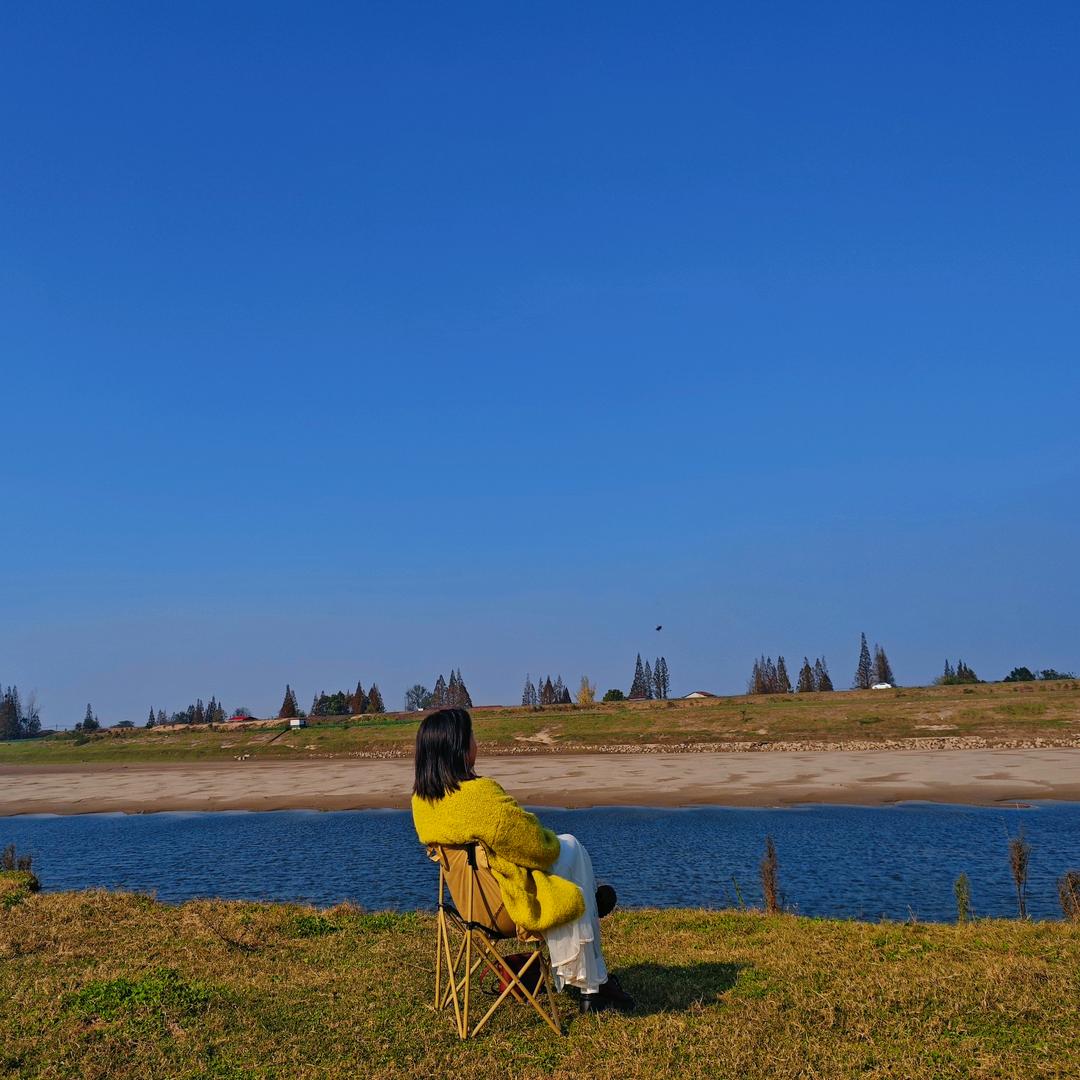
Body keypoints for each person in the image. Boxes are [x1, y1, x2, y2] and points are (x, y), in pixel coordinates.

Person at [411, 707, 635, 1013]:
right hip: (507, 909)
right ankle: (591, 983)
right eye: (472, 735)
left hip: (470, 908)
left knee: (568, 863)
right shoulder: (480, 796)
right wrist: (548, 842)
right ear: (459, 747)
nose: (477, 741)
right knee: (571, 847)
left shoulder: (421, 803)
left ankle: (592, 975)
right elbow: (535, 848)